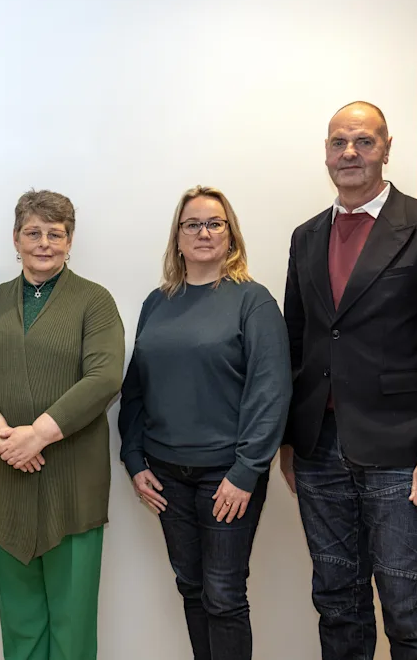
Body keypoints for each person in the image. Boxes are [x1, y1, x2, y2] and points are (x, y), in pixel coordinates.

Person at [280, 101, 417, 660]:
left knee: (407, 607)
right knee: (336, 601)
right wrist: (292, 439)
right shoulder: (306, 237)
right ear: (325, 152)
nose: (350, 153)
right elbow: (298, 342)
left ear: (387, 148)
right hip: (320, 451)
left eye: (363, 141)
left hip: (403, 452)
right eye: (339, 142)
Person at [118, 186, 291, 660]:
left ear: (231, 236)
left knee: (224, 595)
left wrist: (246, 472)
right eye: (192, 224)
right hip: (166, 474)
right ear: (177, 238)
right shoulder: (157, 302)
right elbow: (135, 389)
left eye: (215, 223)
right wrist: (133, 459)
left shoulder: (252, 301)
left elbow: (271, 392)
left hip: (227, 477)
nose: (204, 232)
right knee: (191, 587)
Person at [0, 189, 124, 660]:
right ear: (15, 238)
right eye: (33, 232)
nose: (43, 242)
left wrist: (38, 435)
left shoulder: (95, 301)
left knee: (73, 622)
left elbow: (105, 375)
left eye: (56, 233)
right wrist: (0, 435)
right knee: (21, 622)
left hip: (73, 482)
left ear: (70, 242)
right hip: (7, 476)